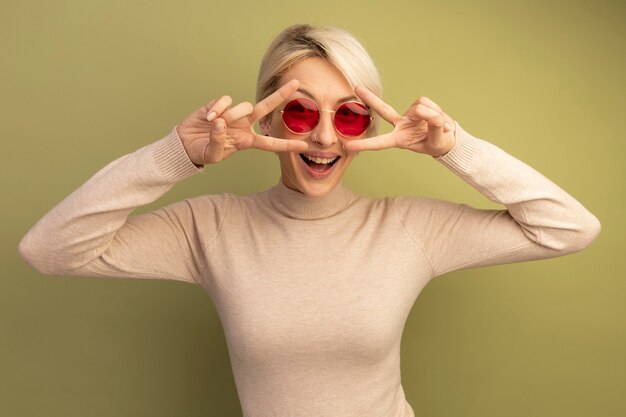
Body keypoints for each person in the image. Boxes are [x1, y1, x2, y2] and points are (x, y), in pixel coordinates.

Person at [18, 24, 600, 417]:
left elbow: (569, 227)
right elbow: (49, 250)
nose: (323, 137)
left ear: (370, 127)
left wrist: (454, 149)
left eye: (348, 116)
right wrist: (177, 153)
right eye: (299, 111)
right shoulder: (211, 229)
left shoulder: (407, 229)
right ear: (267, 119)